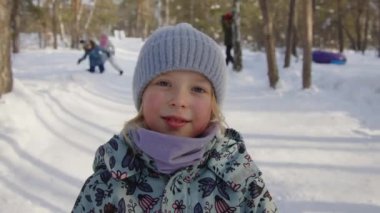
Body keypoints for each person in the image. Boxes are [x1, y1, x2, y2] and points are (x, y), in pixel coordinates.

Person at [72, 23, 278, 212]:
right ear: (142, 94)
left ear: (213, 105)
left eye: (197, 89)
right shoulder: (110, 179)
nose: (179, 100)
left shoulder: (238, 177)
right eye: (164, 83)